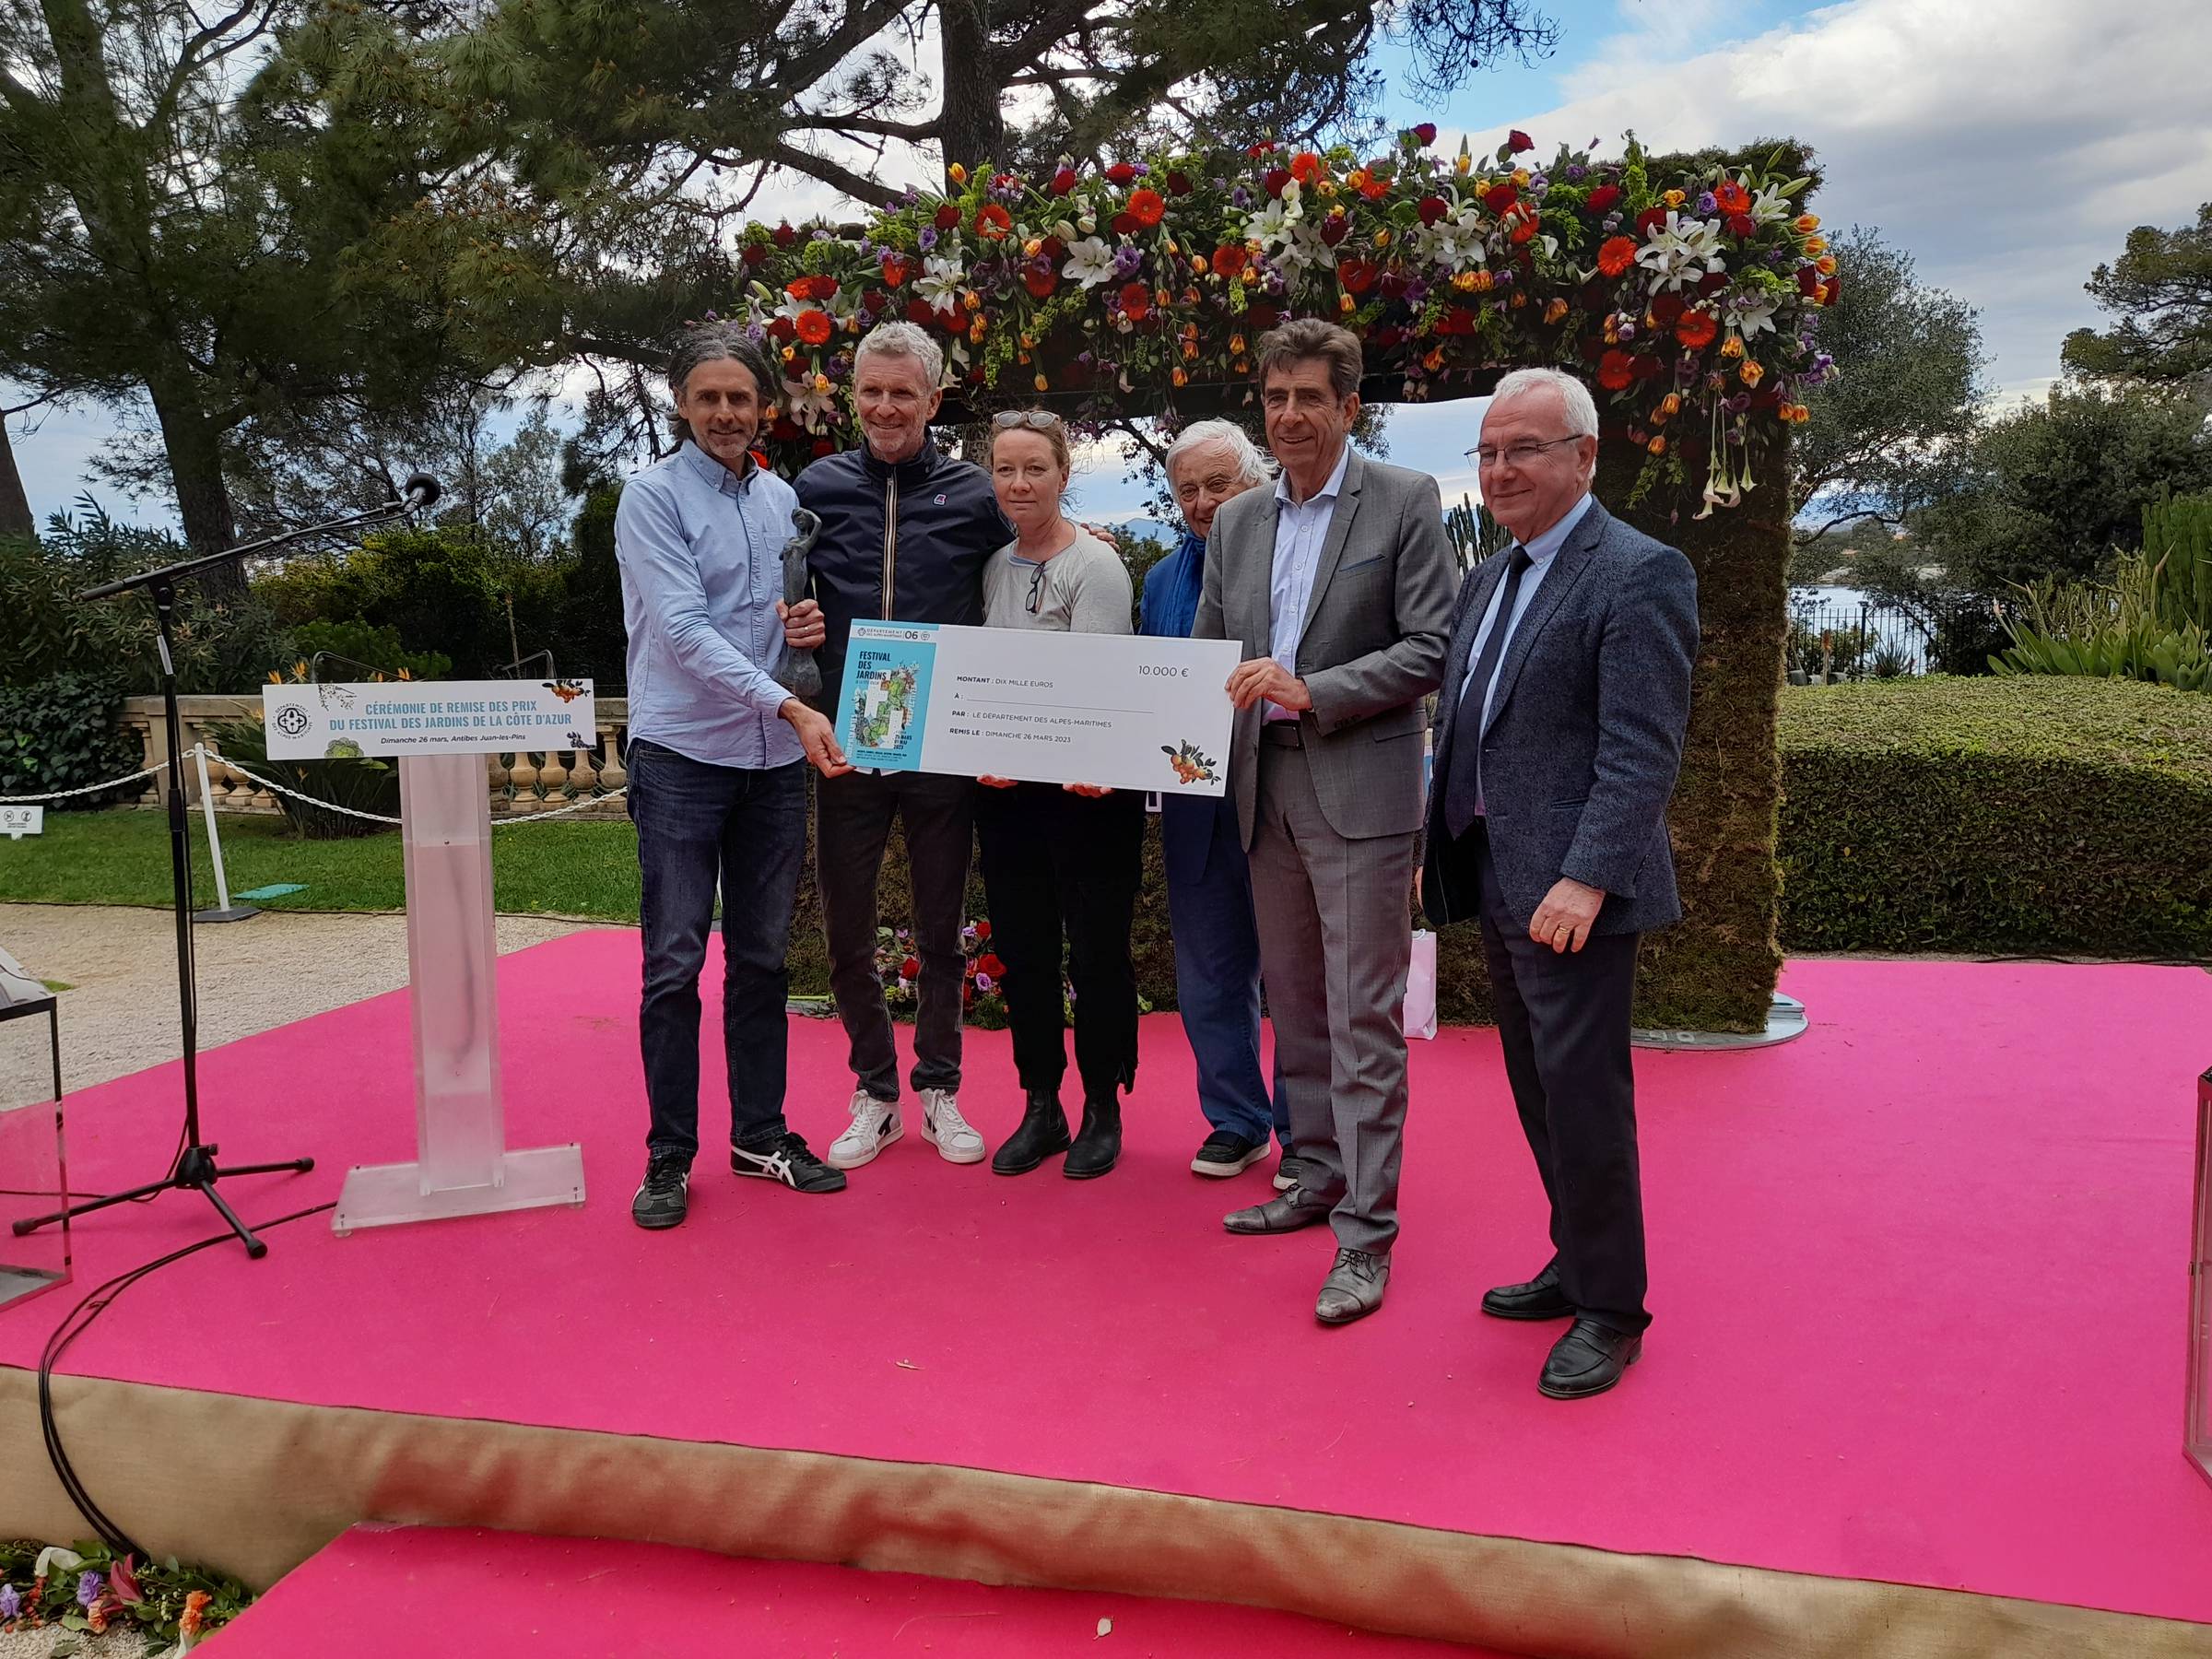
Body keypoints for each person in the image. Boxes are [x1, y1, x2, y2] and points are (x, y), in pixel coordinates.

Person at [1419, 367, 1699, 1400]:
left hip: (1571, 893)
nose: (1500, 469)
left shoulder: (1640, 571)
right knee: (1537, 1090)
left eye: (1524, 449)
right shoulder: (1491, 577)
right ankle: (1576, 1260)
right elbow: (1468, 723)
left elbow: (1642, 751)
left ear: (1585, 456)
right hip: (1495, 872)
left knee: (1584, 1101)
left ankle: (1613, 1310)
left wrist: (1587, 878)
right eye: (1489, 452)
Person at [1197, 320, 1456, 1325]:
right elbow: (1208, 657)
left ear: (1351, 406)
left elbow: (1435, 644)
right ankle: (1310, 1175)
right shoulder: (1239, 520)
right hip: (1264, 791)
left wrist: (1314, 690)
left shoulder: (1405, 500)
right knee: (1296, 1003)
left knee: (1361, 1016)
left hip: (1362, 793)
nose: (1290, 415)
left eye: (1310, 397)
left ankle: (1367, 1234)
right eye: (1275, 397)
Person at [615, 324, 857, 1230]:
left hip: (768, 765)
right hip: (683, 757)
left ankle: (760, 1136)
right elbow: (681, 632)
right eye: (707, 397)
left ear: (763, 408)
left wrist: (801, 631)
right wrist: (791, 706)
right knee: (674, 966)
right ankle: (668, 1155)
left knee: (760, 961)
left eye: (739, 398)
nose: (724, 413)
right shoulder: (651, 498)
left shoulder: (780, 498)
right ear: (681, 403)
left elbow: (772, 620)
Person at [780, 323, 1006, 1173]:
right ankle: (875, 1092)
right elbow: (787, 589)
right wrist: (795, 624)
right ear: (851, 394)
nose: (884, 407)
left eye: (903, 393)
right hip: (847, 736)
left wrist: (1081, 540)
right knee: (845, 927)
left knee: (941, 927)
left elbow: (1018, 574)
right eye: (871, 391)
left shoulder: (976, 493)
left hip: (942, 738)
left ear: (933, 401)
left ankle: (940, 1088)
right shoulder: (818, 485)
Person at [972, 411, 1143, 1178]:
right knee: (1024, 950)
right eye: (1005, 470)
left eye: (1034, 469)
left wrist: (1082, 753)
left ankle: (1103, 1104)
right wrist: (984, 750)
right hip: (1009, 796)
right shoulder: (993, 566)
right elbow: (988, 675)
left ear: (1064, 475)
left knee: (1098, 951)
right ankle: (1042, 1103)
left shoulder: (1098, 566)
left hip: (1089, 792)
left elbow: (1101, 689)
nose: (1019, 483)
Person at [1140, 420, 1292, 1184]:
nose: (1202, 503)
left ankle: (1308, 1131)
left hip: (1284, 794)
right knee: (1209, 973)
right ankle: (1238, 1120)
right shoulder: (1162, 580)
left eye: (1217, 484)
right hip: (1193, 802)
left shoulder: (1291, 560)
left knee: (1298, 972)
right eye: (1187, 490)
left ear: (1255, 480)